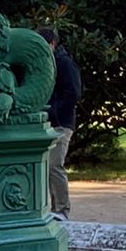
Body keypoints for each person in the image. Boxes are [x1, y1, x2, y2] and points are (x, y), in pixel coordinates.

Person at [38, 27, 83, 220]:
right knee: (50, 166)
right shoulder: (51, 63)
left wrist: (54, 111)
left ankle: (62, 209)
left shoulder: (63, 63)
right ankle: (57, 208)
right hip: (54, 120)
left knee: (55, 165)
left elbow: (73, 92)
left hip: (61, 122)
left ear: (51, 44)